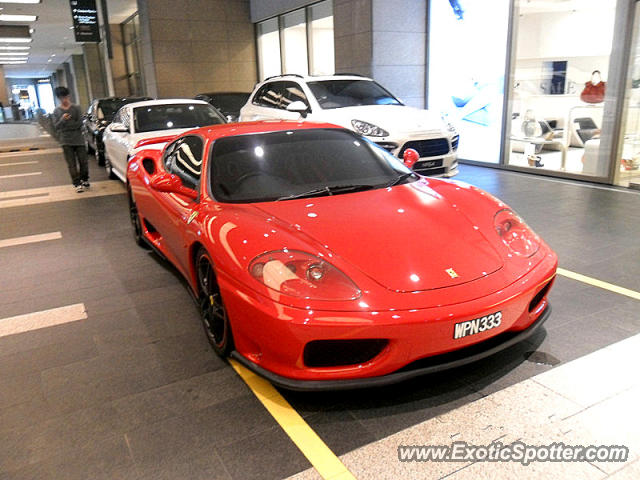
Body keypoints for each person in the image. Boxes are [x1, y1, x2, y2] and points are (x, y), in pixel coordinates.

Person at [52, 86, 89, 192]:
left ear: (68, 96)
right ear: (58, 98)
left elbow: (80, 123)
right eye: (61, 98)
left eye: (65, 97)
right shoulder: (57, 111)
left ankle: (85, 179)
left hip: (79, 139)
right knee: (71, 164)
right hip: (65, 141)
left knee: (83, 162)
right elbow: (56, 126)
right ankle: (77, 183)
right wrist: (63, 120)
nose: (64, 100)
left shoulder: (76, 108)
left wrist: (67, 126)